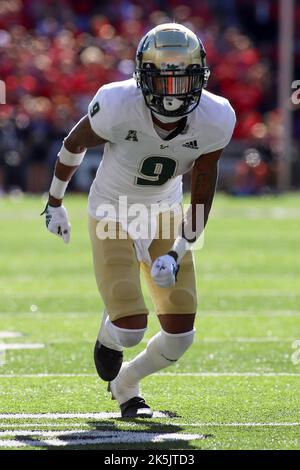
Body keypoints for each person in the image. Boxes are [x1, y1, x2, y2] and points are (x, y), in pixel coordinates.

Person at [42, 23, 236, 418]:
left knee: (181, 335)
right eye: (163, 82)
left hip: (164, 212)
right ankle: (108, 333)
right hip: (112, 211)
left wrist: (179, 251)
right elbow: (74, 143)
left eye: (182, 82)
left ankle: (127, 384)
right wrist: (54, 202)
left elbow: (202, 191)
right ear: (142, 78)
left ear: (200, 78)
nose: (173, 94)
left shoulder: (215, 118)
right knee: (129, 327)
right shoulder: (118, 104)